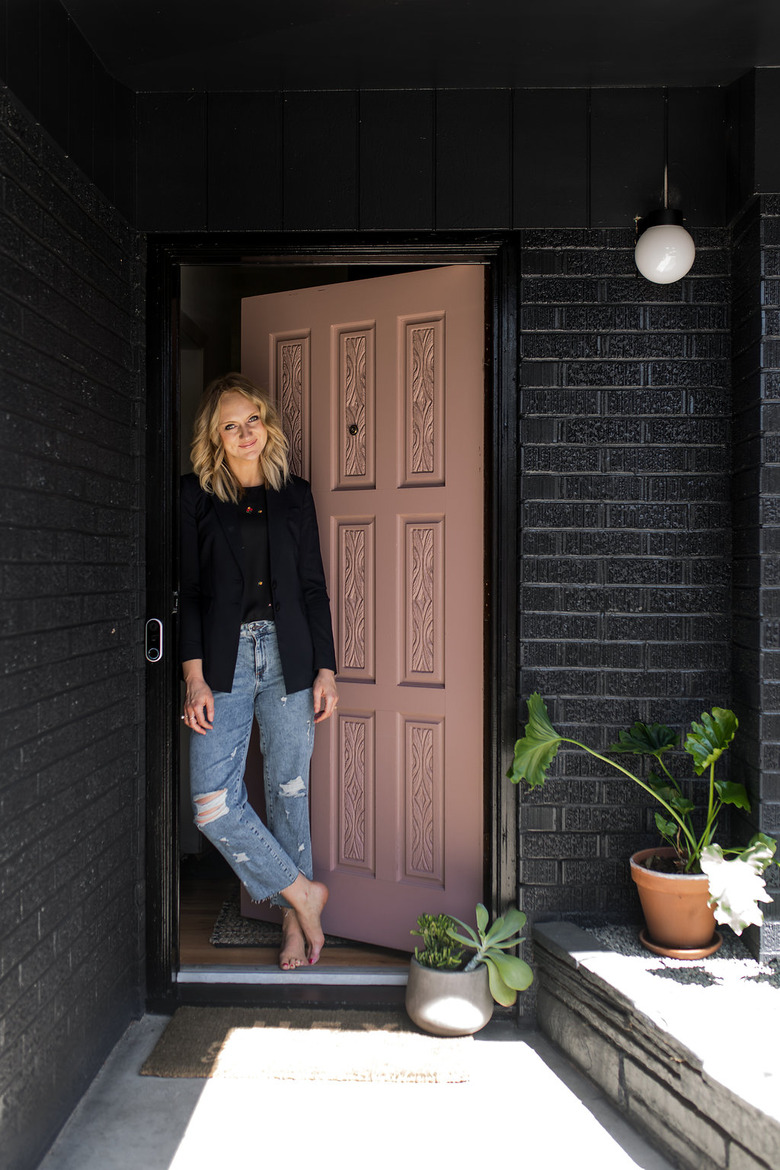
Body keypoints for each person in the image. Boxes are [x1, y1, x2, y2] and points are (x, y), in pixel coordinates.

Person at [179, 372, 338, 970]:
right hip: (224, 661)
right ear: (214, 437)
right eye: (230, 425)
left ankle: (296, 929)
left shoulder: (295, 494)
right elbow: (189, 592)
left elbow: (314, 588)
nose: (245, 434)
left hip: (289, 656)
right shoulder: (195, 497)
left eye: (253, 421)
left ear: (266, 425)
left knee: (288, 789)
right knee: (212, 801)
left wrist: (325, 668)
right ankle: (304, 895)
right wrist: (193, 677)